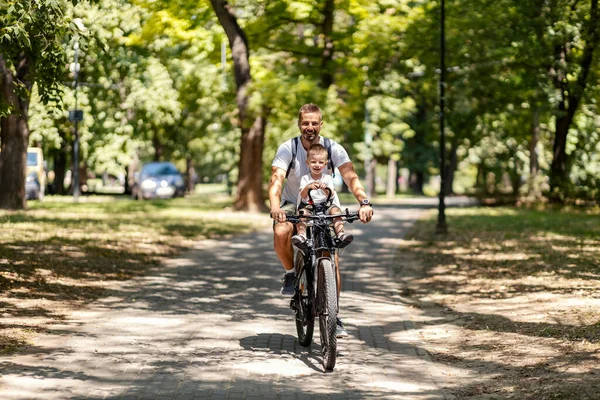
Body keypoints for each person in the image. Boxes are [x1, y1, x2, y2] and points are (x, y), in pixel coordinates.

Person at [269, 103, 374, 338]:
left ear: (320, 124)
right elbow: (276, 179)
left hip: (323, 204)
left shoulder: (332, 148)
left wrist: (364, 202)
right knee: (281, 231)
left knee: (331, 255)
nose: (310, 127)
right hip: (293, 203)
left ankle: (333, 315)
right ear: (299, 124)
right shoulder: (289, 148)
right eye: (305, 123)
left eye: (314, 123)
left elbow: (350, 175)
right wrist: (276, 207)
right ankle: (290, 273)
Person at [291, 143, 354, 251]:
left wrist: (325, 188)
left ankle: (340, 234)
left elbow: (332, 194)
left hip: (326, 205)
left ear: (325, 164)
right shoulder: (305, 178)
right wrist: (308, 187)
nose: (317, 165)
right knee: (302, 214)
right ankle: (302, 236)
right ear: (308, 163)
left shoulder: (327, 178)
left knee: (336, 211)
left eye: (321, 162)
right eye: (313, 162)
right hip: (309, 205)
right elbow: (302, 195)